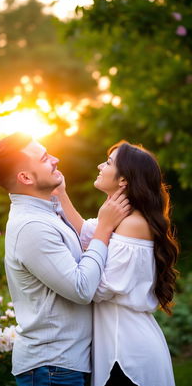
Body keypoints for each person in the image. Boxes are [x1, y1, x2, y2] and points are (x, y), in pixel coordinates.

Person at [0, 133, 130, 386]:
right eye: (44, 158)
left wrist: (61, 196)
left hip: (63, 365)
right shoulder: (32, 226)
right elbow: (81, 288)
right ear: (25, 177)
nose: (55, 159)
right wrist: (104, 229)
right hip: (52, 369)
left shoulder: (46, 214)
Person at [56, 140, 179, 386]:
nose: (101, 165)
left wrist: (71, 274)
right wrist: (59, 190)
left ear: (123, 180)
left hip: (127, 351)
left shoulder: (134, 224)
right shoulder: (122, 217)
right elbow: (85, 232)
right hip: (117, 341)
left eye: (109, 163)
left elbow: (100, 288)